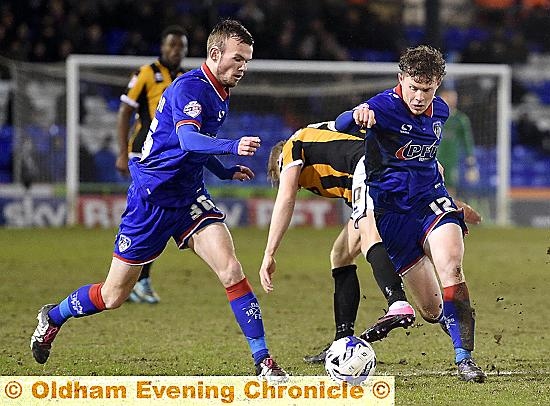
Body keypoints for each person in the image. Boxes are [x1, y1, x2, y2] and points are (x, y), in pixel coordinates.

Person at [30, 19, 288, 381]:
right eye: (237, 59)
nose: (242, 67)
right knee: (113, 294)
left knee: (231, 270)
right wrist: (231, 148)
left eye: (246, 60)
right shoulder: (190, 88)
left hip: (189, 197)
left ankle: (264, 362)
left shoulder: (220, 90)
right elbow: (187, 141)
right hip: (151, 200)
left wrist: (223, 171)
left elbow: (195, 148)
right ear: (215, 54)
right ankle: (53, 316)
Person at [260, 122, 482, 364]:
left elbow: (286, 199)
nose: (291, 182)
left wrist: (270, 252)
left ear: (280, 162)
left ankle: (396, 302)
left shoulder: (294, 145)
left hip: (371, 167)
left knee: (369, 232)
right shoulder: (328, 152)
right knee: (341, 254)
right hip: (391, 170)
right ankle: (342, 341)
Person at [334, 45, 486, 383]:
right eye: (413, 87)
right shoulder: (381, 107)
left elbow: (430, 162)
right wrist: (356, 113)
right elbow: (339, 123)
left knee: (452, 265)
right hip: (392, 214)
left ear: (438, 85)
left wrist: (454, 203)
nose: (418, 97)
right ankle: (455, 321)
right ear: (401, 79)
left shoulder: (441, 112)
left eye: (426, 89)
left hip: (430, 201)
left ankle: (464, 359)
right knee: (432, 310)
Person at [116, 25, 188, 304]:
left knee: (157, 216)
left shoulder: (184, 79)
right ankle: (137, 279)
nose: (176, 51)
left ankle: (137, 279)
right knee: (149, 214)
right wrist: (122, 151)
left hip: (170, 158)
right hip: (142, 154)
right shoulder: (146, 73)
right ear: (162, 46)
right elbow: (125, 112)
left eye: (181, 47)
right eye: (172, 45)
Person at [437, 88, 479, 197]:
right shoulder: (432, 117)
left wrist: (471, 165)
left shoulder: (460, 119)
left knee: (450, 188)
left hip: (451, 161)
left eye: (453, 97)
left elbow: (467, 143)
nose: (451, 100)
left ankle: (449, 212)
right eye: (448, 97)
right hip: (433, 159)